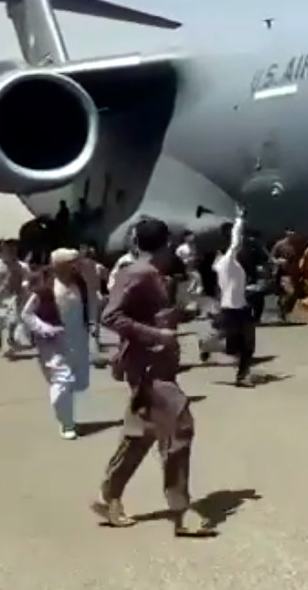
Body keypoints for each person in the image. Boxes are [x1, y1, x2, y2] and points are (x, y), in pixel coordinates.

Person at [93, 217, 216, 537]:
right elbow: (111, 315)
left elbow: (147, 313)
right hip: (148, 368)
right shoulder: (138, 273)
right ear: (167, 243)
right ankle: (181, 511)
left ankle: (108, 497)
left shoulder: (152, 274)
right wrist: (155, 335)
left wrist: (185, 316)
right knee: (180, 428)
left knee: (140, 435)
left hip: (154, 365)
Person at [20, 249, 92, 439]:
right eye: (70, 262)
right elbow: (26, 314)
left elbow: (89, 306)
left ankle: (67, 417)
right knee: (62, 382)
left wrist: (93, 327)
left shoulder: (80, 284)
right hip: (53, 344)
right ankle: (67, 424)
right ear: (59, 265)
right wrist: (45, 329)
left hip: (78, 341)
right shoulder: (46, 288)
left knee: (76, 383)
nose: (75, 265)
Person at [212, 207, 255, 387]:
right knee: (234, 347)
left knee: (247, 346)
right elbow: (236, 242)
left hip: (241, 308)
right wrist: (239, 219)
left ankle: (242, 376)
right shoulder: (227, 261)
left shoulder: (226, 263)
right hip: (230, 310)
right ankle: (208, 346)